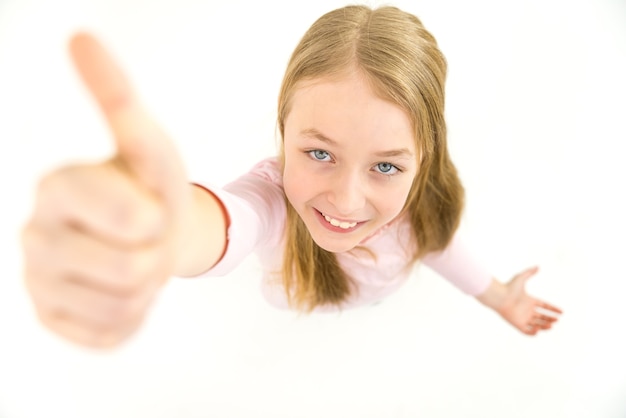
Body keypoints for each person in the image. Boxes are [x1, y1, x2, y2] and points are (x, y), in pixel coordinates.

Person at [21, 4, 561, 349]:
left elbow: (439, 245)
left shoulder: (421, 201)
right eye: (319, 154)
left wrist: (498, 298)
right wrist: (162, 228)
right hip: (294, 311)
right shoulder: (273, 200)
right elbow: (228, 221)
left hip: (374, 302)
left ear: (424, 159)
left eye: (386, 166)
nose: (346, 202)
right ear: (283, 132)